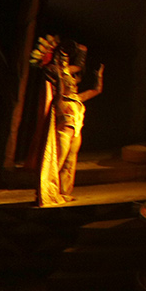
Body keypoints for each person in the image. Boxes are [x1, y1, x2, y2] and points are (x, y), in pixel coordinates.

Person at [30, 36, 102, 208]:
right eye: (61, 55)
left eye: (66, 56)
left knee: (70, 159)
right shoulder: (54, 71)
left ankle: (63, 192)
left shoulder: (69, 77)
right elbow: (57, 88)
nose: (65, 58)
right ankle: (46, 191)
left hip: (76, 119)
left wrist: (83, 54)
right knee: (58, 158)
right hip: (65, 117)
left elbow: (81, 70)